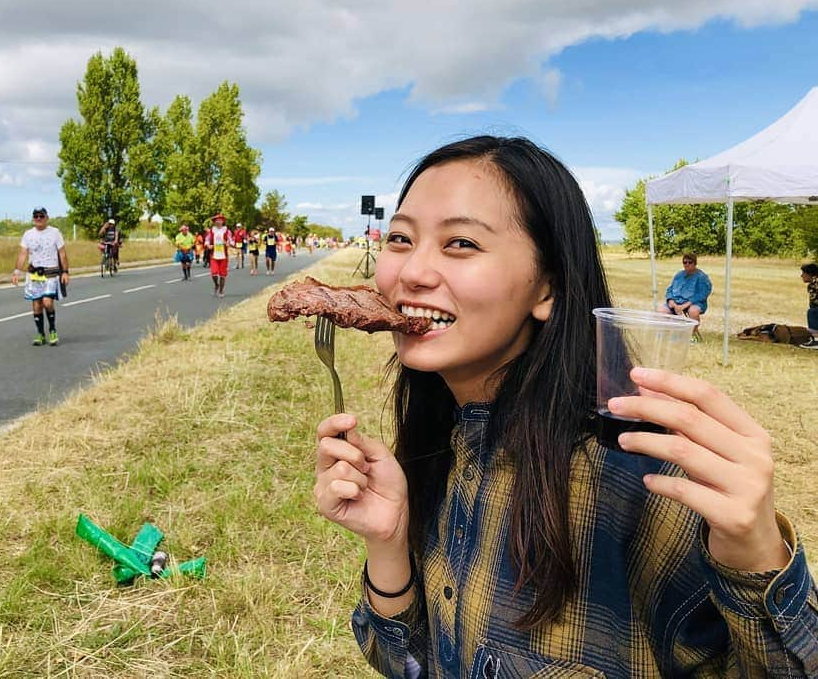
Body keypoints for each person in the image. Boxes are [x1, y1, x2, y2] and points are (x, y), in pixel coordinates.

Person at [313, 136, 815, 677]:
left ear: (547, 288)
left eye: (460, 243)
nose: (411, 271)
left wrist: (758, 559)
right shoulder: (445, 445)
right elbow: (409, 666)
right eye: (400, 238)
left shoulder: (643, 477)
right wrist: (388, 545)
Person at [12, 207, 69, 346]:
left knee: (47, 302)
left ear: (46, 218)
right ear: (33, 218)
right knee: (37, 305)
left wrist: (65, 272)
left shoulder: (55, 233)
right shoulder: (28, 234)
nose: (38, 219)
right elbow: (23, 253)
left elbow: (62, 253)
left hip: (50, 272)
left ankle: (52, 330)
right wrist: (16, 272)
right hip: (34, 274)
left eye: (41, 216)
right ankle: (40, 334)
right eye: (36, 216)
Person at [657, 252, 712, 337]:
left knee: (693, 311)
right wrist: (671, 300)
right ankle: (668, 334)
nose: (687, 264)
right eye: (685, 262)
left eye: (690, 262)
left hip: (693, 303)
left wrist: (684, 306)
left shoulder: (702, 277)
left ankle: (692, 334)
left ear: (695, 263)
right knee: (661, 310)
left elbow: (702, 294)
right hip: (676, 302)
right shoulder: (679, 275)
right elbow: (670, 289)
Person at [205, 213, 233, 297]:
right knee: (213, 273)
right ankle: (216, 285)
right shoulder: (212, 231)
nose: (218, 222)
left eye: (220, 220)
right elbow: (207, 239)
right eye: (216, 220)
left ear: (223, 221)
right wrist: (208, 245)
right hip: (214, 255)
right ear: (214, 222)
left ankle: (221, 290)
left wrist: (229, 243)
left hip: (223, 256)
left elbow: (231, 241)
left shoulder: (227, 231)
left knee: (222, 275)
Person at [800, 263, 818, 348]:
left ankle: (816, 340)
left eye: (803, 273)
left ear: (810, 274)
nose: (801, 275)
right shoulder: (812, 284)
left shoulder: (815, 283)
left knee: (812, 312)